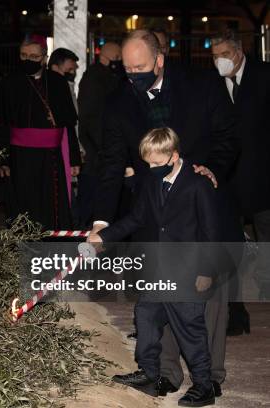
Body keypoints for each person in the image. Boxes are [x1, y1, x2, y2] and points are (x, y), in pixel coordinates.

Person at [91, 29, 239, 400]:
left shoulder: (203, 84)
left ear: (159, 60)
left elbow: (228, 137)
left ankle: (210, 377)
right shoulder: (118, 102)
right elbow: (110, 166)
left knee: (206, 300)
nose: (133, 75)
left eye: (140, 67)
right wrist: (101, 221)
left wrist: (211, 169)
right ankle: (166, 375)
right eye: (127, 69)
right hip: (153, 213)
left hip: (202, 205)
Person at [90, 127, 217, 406]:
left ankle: (204, 386)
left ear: (174, 156)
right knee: (145, 316)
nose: (151, 168)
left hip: (188, 271)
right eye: (147, 163)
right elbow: (136, 218)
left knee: (190, 330)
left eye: (157, 163)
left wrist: (206, 271)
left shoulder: (198, 184)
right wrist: (104, 236)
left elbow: (210, 232)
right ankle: (149, 373)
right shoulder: (150, 181)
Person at [0, 36, 81, 230]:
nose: (28, 59)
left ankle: (50, 249)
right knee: (23, 205)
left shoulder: (57, 82)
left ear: (44, 58)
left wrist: (73, 159)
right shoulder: (7, 84)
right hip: (19, 157)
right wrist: (2, 160)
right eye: (23, 55)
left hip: (52, 158)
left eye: (33, 56)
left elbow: (68, 125)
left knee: (51, 205)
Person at [212, 30, 269, 318]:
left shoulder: (263, 75)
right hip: (228, 178)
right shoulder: (212, 84)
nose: (219, 61)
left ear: (238, 52)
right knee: (230, 239)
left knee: (266, 234)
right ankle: (233, 305)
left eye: (224, 55)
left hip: (262, 175)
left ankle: (266, 285)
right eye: (215, 56)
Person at [76, 42, 125, 228]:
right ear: (107, 57)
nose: (120, 62)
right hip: (96, 150)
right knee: (91, 198)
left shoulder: (106, 76)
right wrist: (102, 146)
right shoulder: (95, 78)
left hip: (100, 147)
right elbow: (90, 116)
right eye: (118, 58)